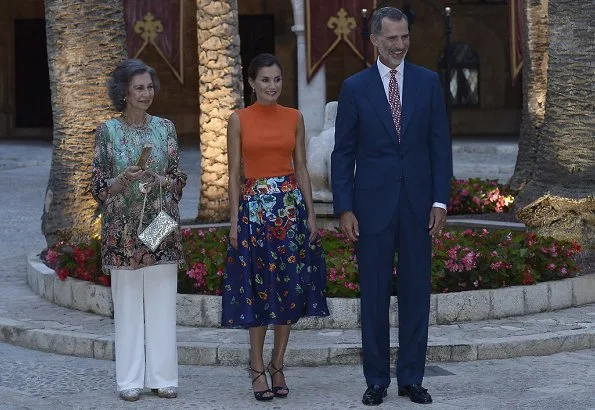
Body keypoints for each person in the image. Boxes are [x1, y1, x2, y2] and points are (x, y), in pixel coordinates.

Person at [331, 7, 453, 406]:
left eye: (405, 37)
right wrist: (345, 208)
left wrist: (440, 200)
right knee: (374, 295)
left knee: (417, 293)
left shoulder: (429, 82)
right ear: (375, 40)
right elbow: (343, 152)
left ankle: (412, 378)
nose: (400, 44)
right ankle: (377, 380)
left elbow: (439, 145)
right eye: (392, 38)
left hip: (419, 207)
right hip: (371, 209)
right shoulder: (354, 88)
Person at [221, 53, 329, 402]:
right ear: (251, 83)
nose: (272, 86)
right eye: (265, 80)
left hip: (290, 212)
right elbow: (234, 173)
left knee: (289, 290)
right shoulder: (238, 119)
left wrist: (311, 214)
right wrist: (234, 219)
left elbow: (300, 167)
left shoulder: (294, 117)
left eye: (277, 80)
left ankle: (278, 364)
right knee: (258, 289)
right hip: (254, 213)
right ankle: (255, 366)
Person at [91, 58, 187, 402]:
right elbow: (98, 186)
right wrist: (122, 180)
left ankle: (163, 377)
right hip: (122, 229)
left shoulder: (166, 128)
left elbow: (178, 178)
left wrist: (159, 179)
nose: (147, 93)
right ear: (124, 93)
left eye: (149, 87)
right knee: (128, 305)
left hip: (160, 225)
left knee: (162, 302)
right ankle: (129, 380)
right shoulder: (108, 131)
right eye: (139, 88)